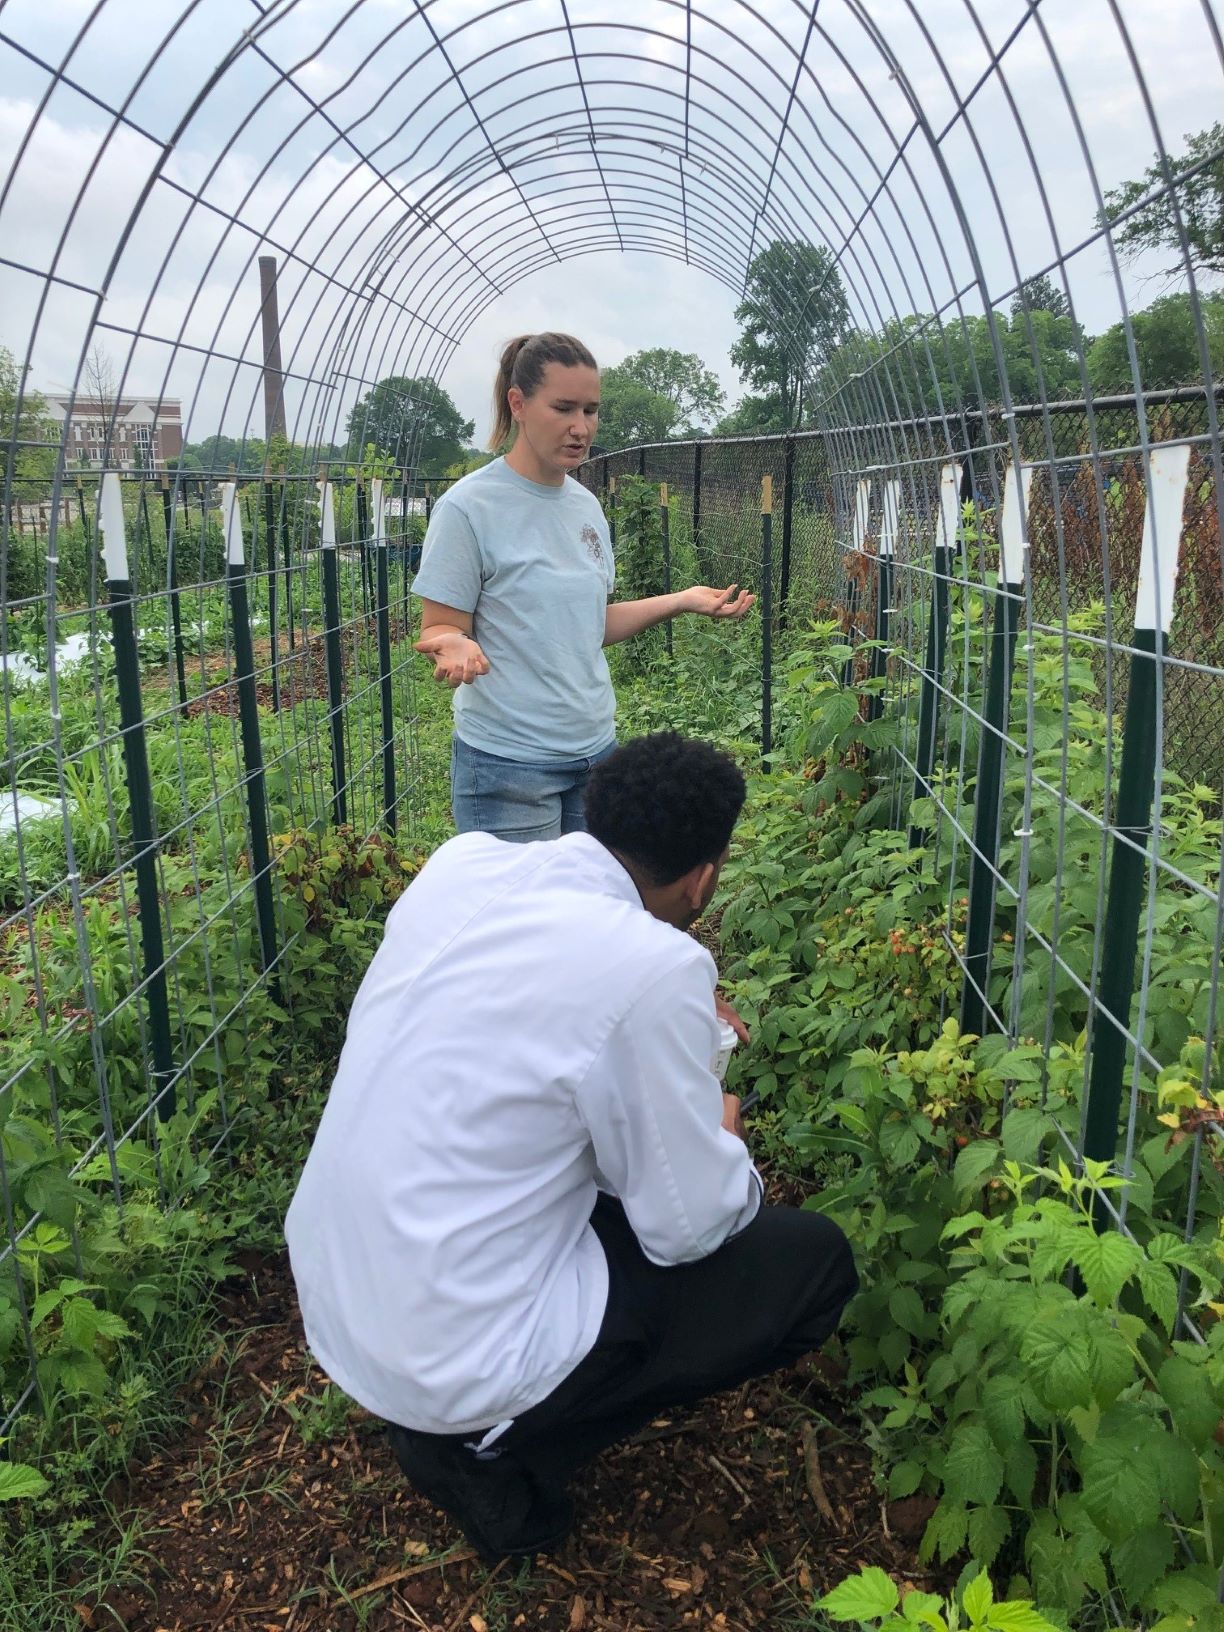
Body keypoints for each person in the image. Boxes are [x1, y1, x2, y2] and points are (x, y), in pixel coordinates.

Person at [284, 732, 858, 1561]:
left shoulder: (462, 866)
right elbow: (687, 1227)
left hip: (340, 1283)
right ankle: (496, 1448)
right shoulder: (653, 966)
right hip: (449, 1349)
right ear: (704, 877)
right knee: (813, 1265)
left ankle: (472, 1414)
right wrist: (722, 1119)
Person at [410, 332, 755, 842]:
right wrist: (455, 642)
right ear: (518, 404)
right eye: (564, 408)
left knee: (583, 912)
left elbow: (586, 627)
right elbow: (439, 625)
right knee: (525, 920)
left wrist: (681, 600)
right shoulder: (469, 508)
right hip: (510, 765)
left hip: (595, 756)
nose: (581, 427)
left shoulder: (585, 507)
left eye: (591, 411)